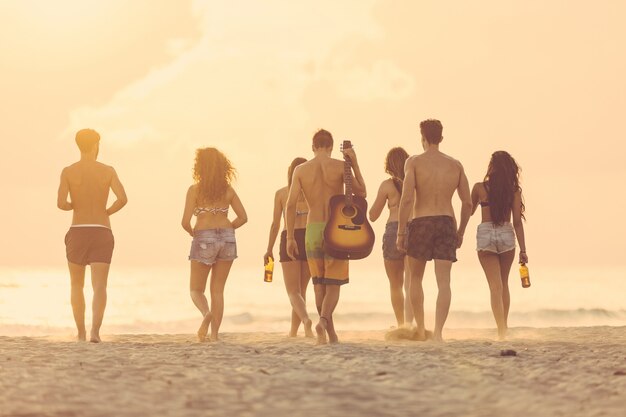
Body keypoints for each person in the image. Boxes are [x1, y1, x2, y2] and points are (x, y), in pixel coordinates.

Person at [286, 129, 366, 344]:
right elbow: (362, 192)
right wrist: (354, 163)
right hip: (334, 229)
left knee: (318, 285)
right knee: (334, 284)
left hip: (311, 229)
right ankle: (322, 322)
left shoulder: (301, 170)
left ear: (313, 147)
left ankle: (330, 334)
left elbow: (291, 203)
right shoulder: (340, 166)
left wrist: (290, 237)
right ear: (331, 147)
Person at [396, 119, 472, 342]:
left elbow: (407, 198)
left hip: (422, 221)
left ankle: (420, 328)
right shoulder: (455, 165)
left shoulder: (414, 162)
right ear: (441, 138)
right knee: (444, 282)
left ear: (423, 137)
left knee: (415, 279)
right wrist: (461, 231)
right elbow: (467, 203)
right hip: (446, 222)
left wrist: (401, 231)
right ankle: (438, 333)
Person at [57, 129, 128, 342]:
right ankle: (95, 332)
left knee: (76, 285)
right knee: (99, 286)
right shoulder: (107, 171)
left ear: (78, 145)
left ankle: (80, 333)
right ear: (96, 144)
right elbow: (122, 199)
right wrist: (106, 212)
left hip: (78, 230)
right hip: (101, 230)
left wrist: (74, 205)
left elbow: (61, 204)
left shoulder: (68, 171)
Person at [181, 148, 247, 342]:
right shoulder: (228, 189)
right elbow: (243, 217)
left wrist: (196, 234)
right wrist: (227, 230)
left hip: (204, 236)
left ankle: (206, 313)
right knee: (217, 290)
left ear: (199, 167)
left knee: (196, 290)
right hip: (227, 237)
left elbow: (185, 222)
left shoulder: (194, 190)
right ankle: (215, 335)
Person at [471, 151, 528, 340]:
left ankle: (500, 330)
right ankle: (504, 329)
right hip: (506, 233)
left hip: (486, 234)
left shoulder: (480, 188)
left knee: (494, 287)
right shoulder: (514, 191)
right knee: (503, 284)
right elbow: (517, 222)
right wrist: (523, 250)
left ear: (492, 167)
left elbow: (469, 210)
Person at [264, 157, 314, 338]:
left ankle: (306, 320)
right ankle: (294, 332)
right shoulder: (312, 193)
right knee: (301, 290)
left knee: (293, 292)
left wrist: (269, 249)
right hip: (309, 237)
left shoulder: (281, 194)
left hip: (290, 237)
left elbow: (275, 225)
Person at [369, 147, 413, 327]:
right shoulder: (415, 183)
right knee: (412, 283)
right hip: (414, 229)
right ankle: (411, 323)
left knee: (395, 284)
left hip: (393, 229)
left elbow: (373, 215)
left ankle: (401, 323)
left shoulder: (386, 186)